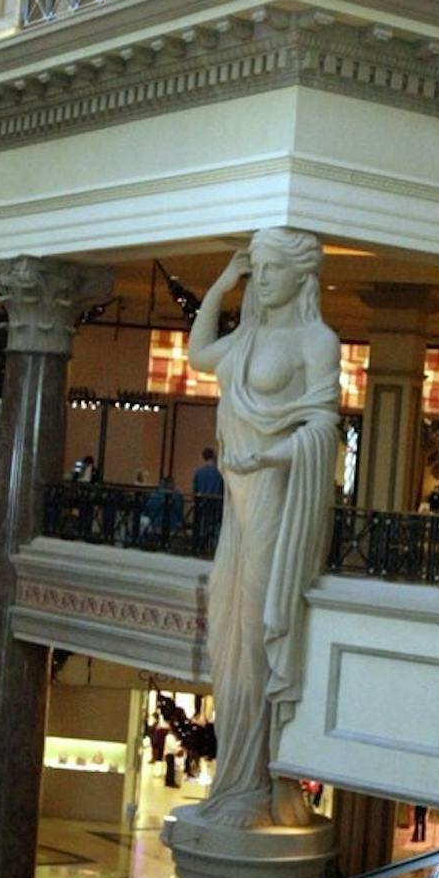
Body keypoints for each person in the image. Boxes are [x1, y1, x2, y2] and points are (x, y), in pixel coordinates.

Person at [176, 231, 343, 831]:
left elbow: (327, 427)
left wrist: (270, 457)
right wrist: (222, 286)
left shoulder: (317, 341)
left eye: (274, 269)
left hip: (275, 496)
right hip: (239, 507)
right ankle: (235, 778)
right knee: (230, 636)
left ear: (301, 277)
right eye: (259, 268)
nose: (263, 278)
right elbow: (198, 356)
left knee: (258, 629)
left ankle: (262, 777)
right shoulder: (245, 336)